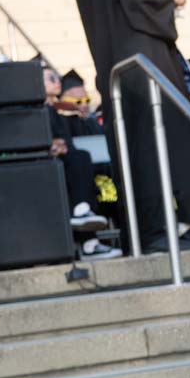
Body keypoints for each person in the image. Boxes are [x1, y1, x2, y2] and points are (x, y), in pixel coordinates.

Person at [71, 0, 190, 253]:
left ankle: (141, 235)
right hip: (143, 67)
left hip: (113, 69)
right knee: (159, 142)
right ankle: (166, 230)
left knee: (134, 150)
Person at [42, 65, 117, 259]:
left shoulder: (54, 112)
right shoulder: (37, 111)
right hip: (48, 170)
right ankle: (83, 217)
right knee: (80, 158)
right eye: (51, 78)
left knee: (81, 157)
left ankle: (90, 240)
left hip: (75, 170)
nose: (56, 81)